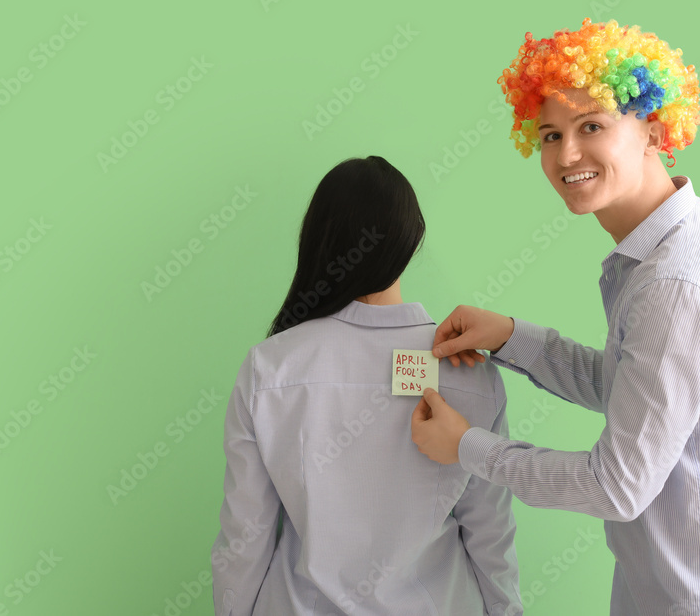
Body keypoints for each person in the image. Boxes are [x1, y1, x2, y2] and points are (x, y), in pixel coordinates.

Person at [410, 18, 700, 615]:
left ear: (653, 131)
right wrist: (513, 339)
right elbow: (644, 398)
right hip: (681, 586)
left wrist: (467, 447)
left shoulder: (676, 281)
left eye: (591, 126)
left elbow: (617, 484)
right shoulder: (675, 244)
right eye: (549, 134)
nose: (566, 154)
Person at [211, 156, 522, 615]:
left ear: (317, 239)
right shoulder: (469, 369)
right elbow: (491, 534)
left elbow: (245, 536)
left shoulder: (269, 368)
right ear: (410, 241)